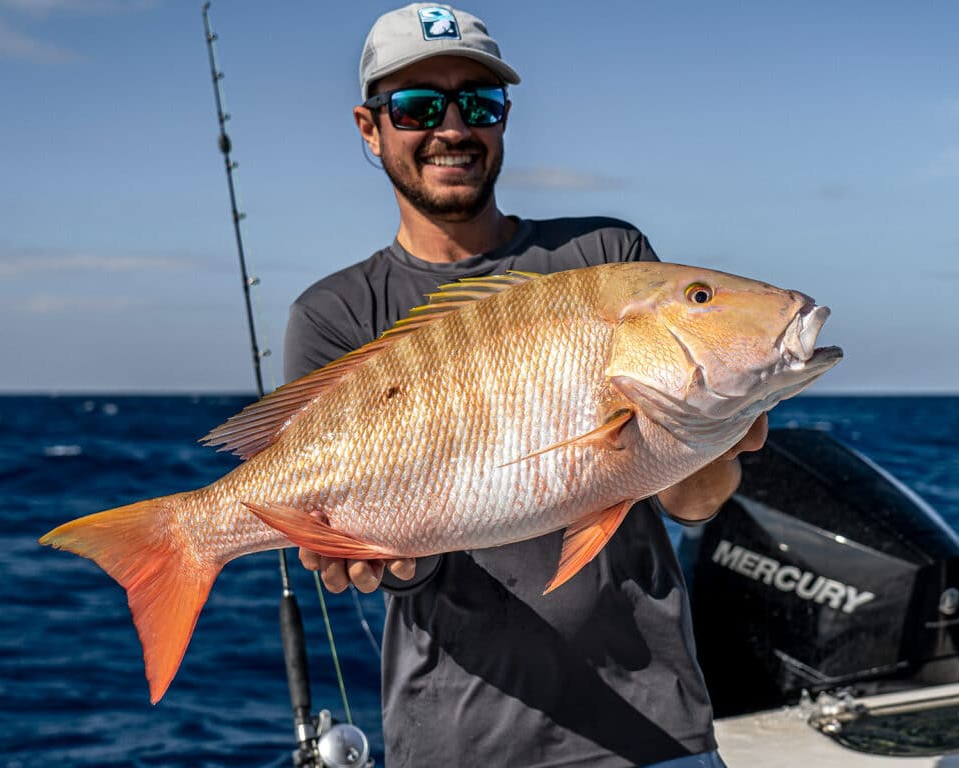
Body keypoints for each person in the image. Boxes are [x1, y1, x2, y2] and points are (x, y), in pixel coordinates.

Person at [283, 4, 767, 766]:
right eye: (415, 106)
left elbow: (695, 502)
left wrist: (713, 422)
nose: (451, 127)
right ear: (368, 127)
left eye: (478, 102)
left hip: (652, 728)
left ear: (504, 120)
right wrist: (367, 554)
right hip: (454, 740)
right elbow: (388, 563)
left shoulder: (606, 256)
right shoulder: (336, 314)